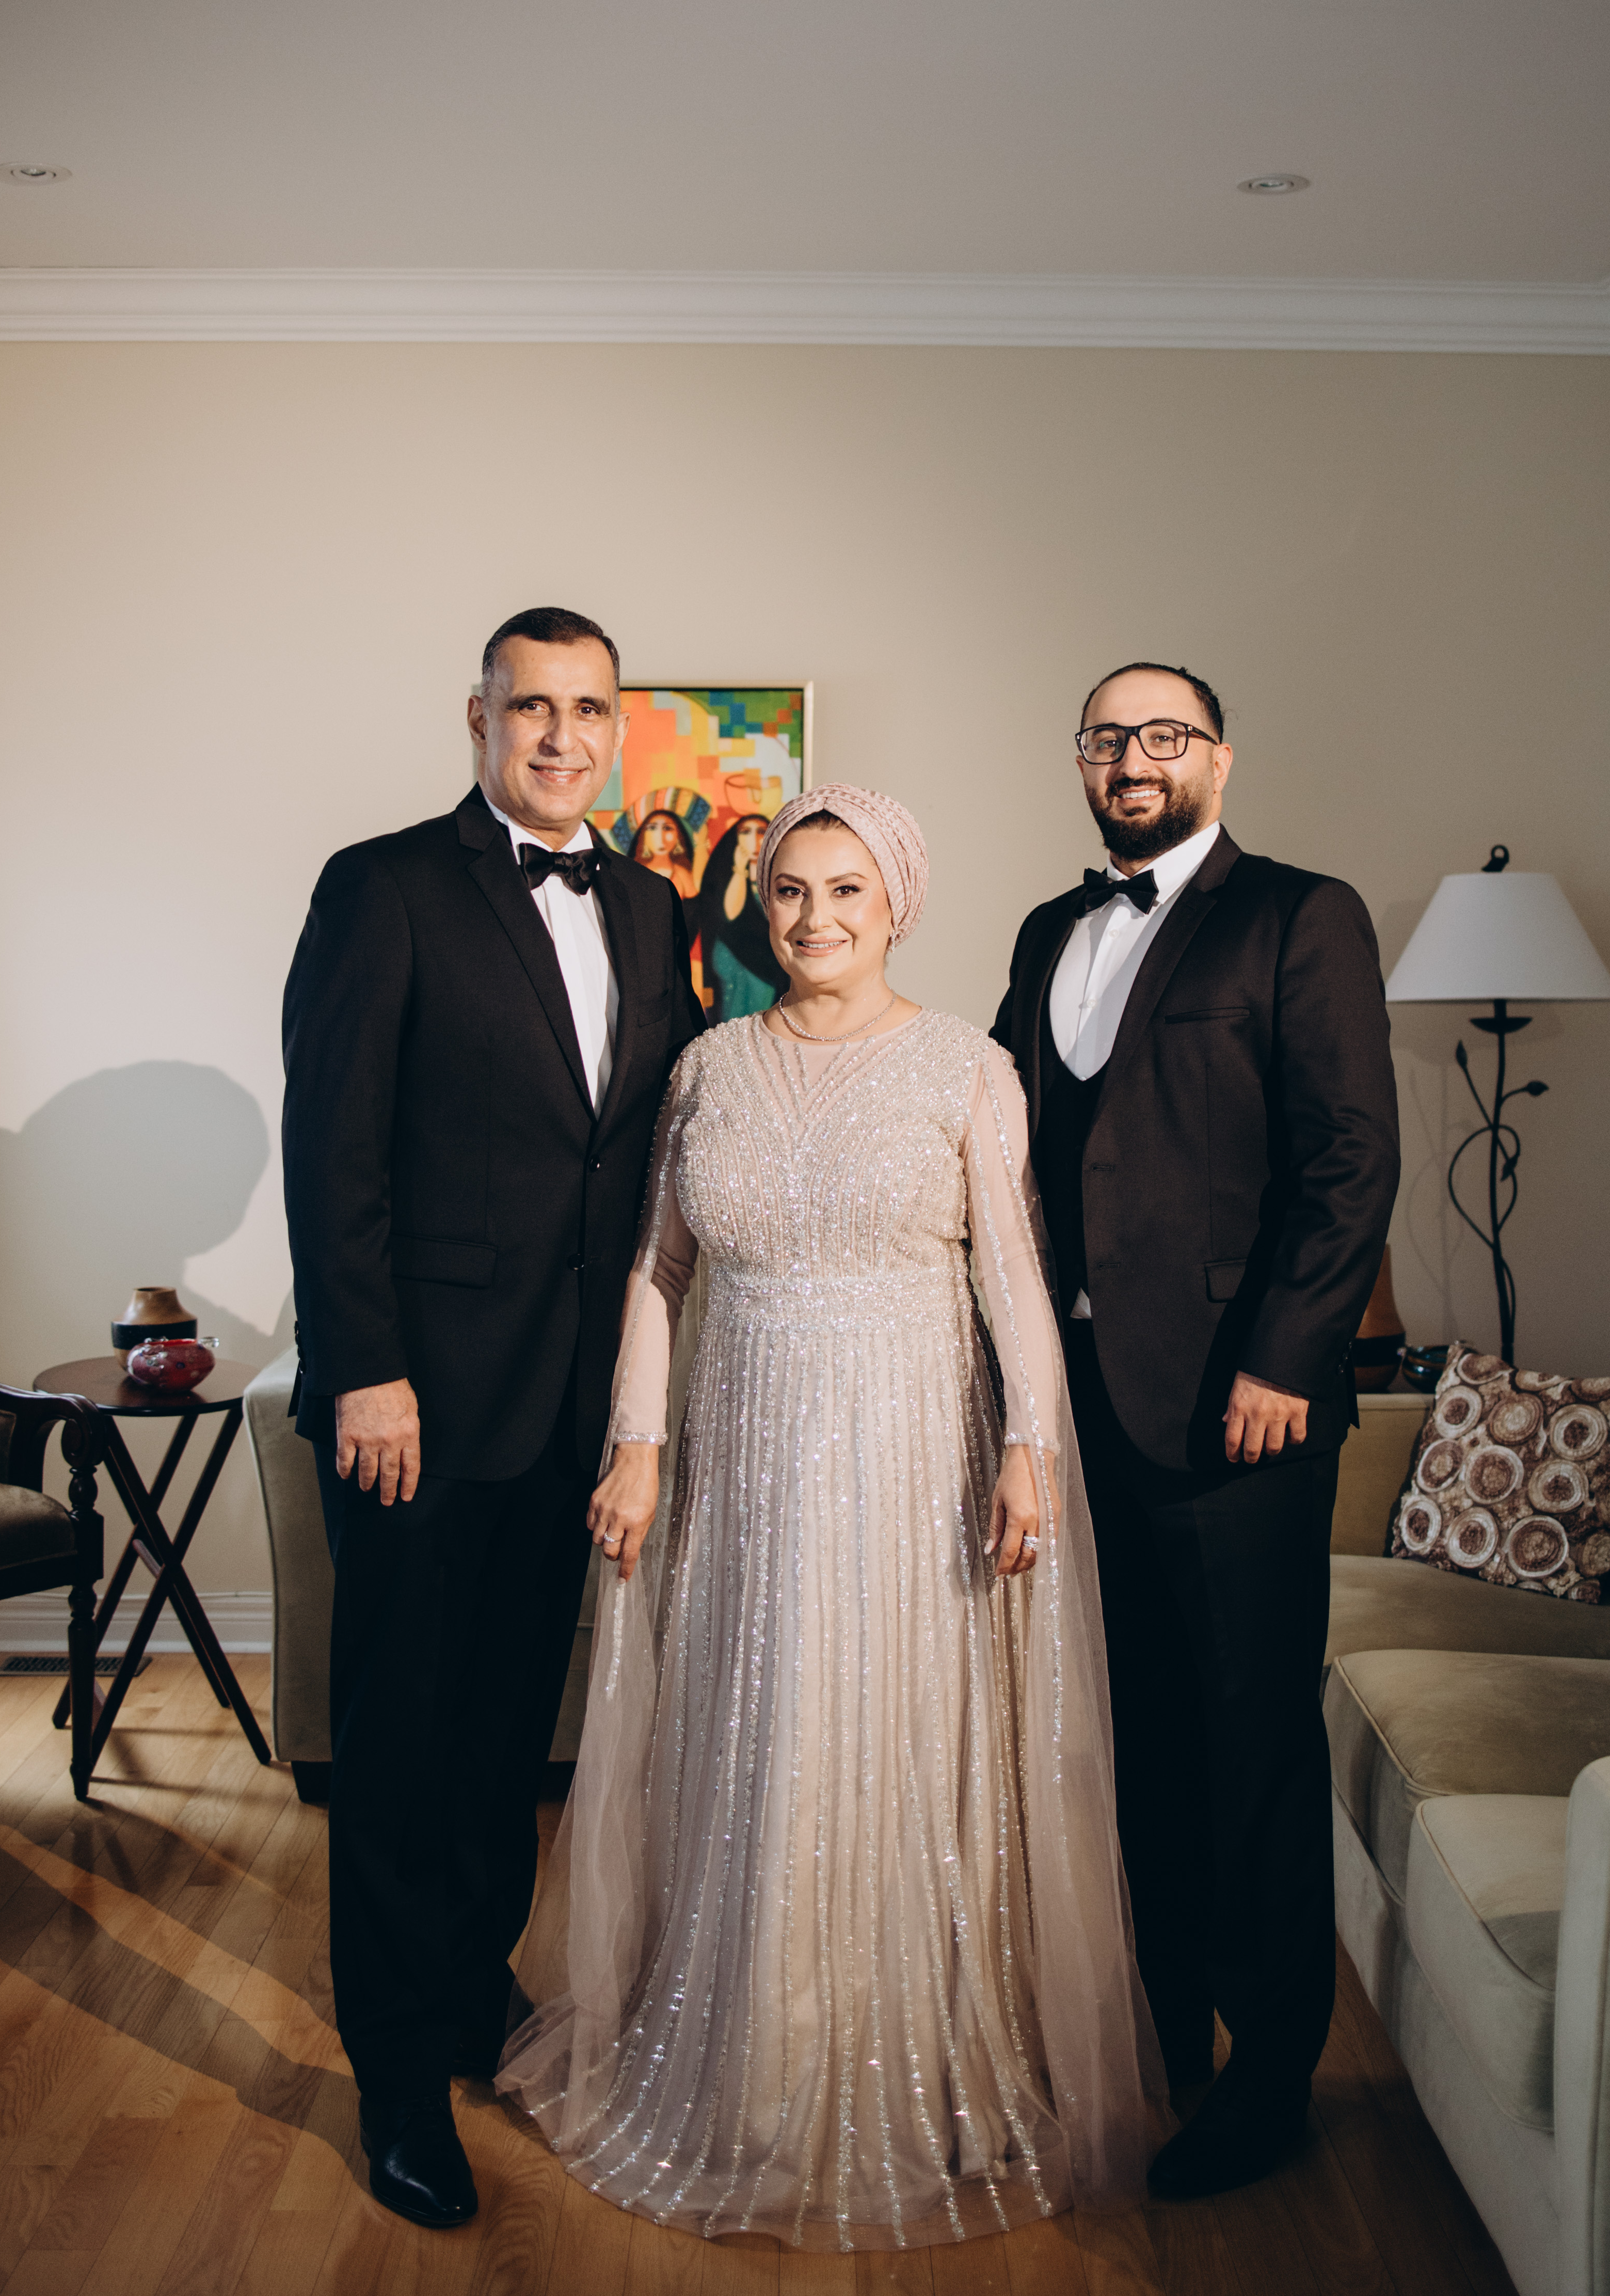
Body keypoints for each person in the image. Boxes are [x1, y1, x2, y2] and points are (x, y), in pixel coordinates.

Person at [500, 785, 1170, 2250]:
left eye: (846, 891)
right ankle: (750, 2061)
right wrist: (637, 1445)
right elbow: (660, 1271)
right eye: (791, 891)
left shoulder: (965, 1066)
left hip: (910, 1453)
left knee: (884, 1729)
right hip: (741, 1460)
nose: (814, 918)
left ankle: (911, 2061)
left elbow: (1013, 1278)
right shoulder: (707, 1067)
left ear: (896, 905)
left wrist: (1030, 1448)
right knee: (756, 1730)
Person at [281, 606, 705, 2230]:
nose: (559, 735)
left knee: (507, 1735)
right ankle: (395, 2075)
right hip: (418, 1401)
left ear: (618, 728)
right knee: (399, 1743)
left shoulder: (651, 904)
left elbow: (646, 1146)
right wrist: (365, 1365)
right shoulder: (381, 886)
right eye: (531, 706)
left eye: (588, 709)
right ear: (479, 720)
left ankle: (468, 1993)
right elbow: (333, 1148)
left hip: (572, 1403)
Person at [990, 663, 1399, 2199]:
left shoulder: (1301, 915)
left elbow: (1351, 1156)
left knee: (1251, 1743)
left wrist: (1286, 1355)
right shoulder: (1047, 929)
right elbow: (1003, 1134)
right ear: (1081, 762)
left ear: (1216, 759)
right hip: (1082, 1404)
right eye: (1107, 736)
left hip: (1242, 1407)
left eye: (1163, 734)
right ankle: (1157, 2025)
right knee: (1135, 1733)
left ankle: (1270, 2071)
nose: (1133, 757)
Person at [694, 809, 783, 1017]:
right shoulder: (727, 875)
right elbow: (731, 914)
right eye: (746, 832)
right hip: (733, 959)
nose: (754, 839)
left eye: (761, 832)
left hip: (767, 964)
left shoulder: (780, 877)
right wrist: (740, 869)